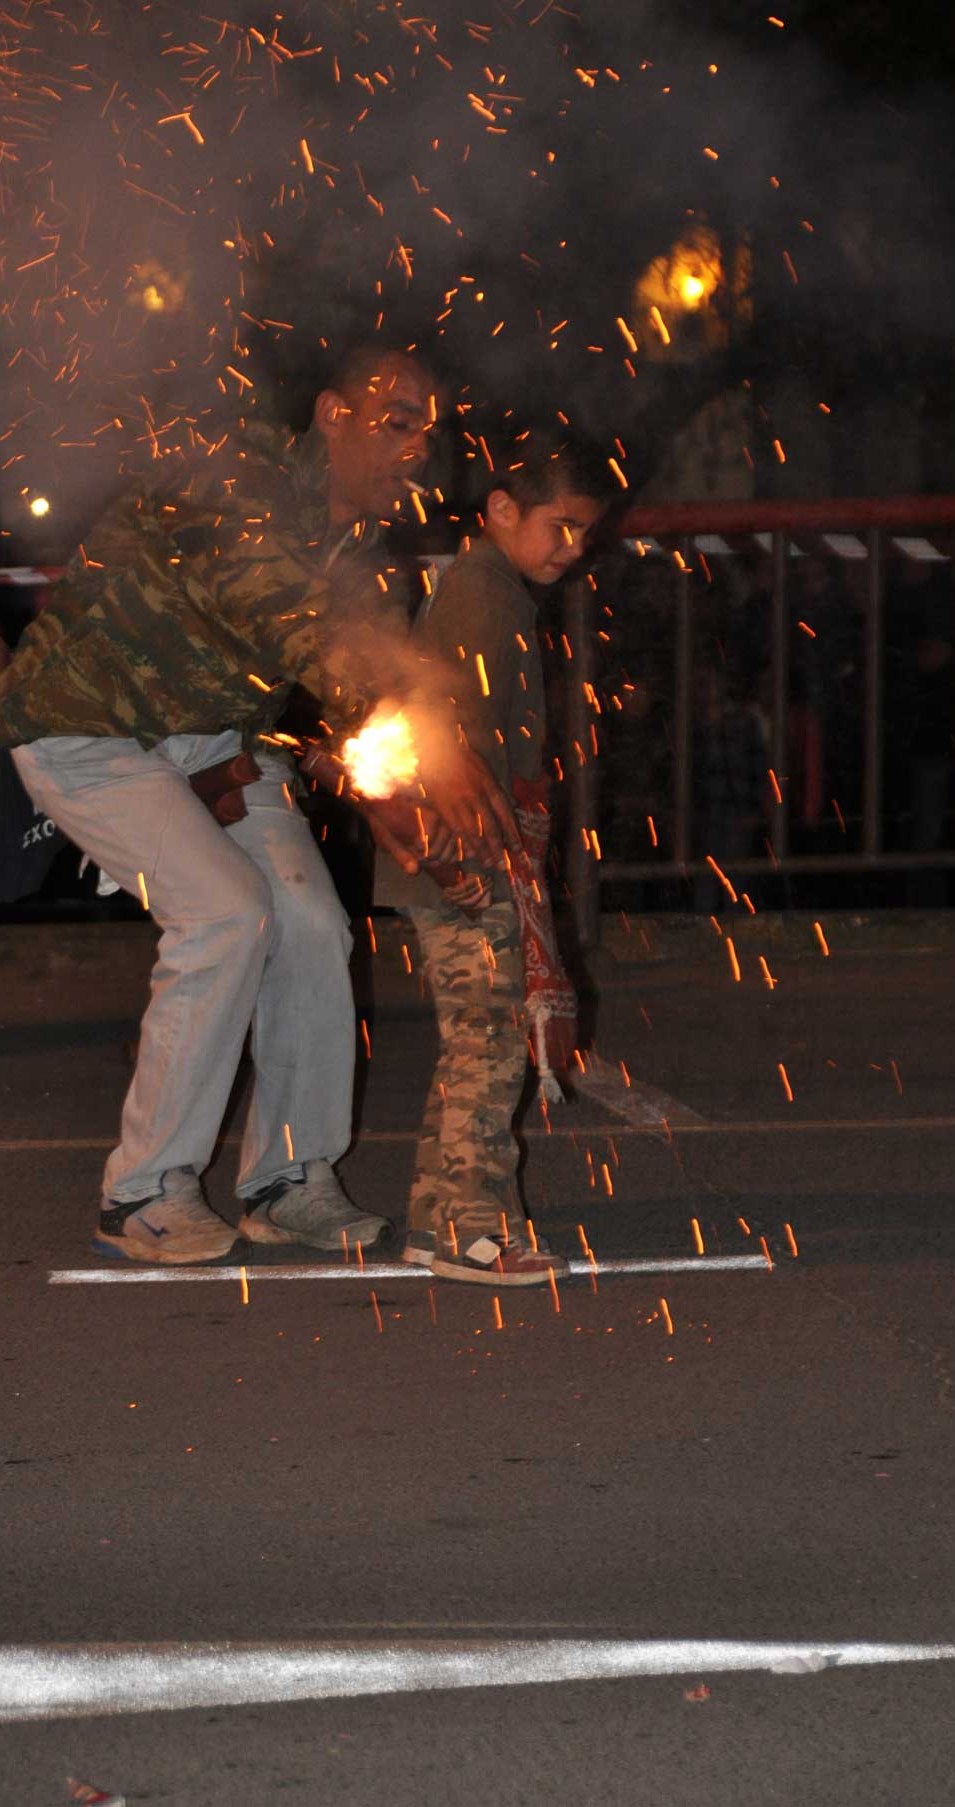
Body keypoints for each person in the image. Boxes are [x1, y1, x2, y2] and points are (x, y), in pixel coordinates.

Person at [0, 345, 519, 1267]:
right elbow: (299, 621)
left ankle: (288, 1181)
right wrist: (437, 749)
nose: (417, 450)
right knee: (226, 913)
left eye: (430, 434)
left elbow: (364, 705)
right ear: (333, 414)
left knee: (312, 925)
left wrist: (401, 808)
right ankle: (142, 1191)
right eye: (397, 422)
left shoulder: (364, 554)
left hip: (217, 744)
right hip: (88, 731)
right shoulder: (236, 479)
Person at [386, 440, 610, 1286]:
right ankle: (472, 1231)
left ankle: (434, 1215)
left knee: (472, 1040)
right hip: (464, 851)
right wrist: (466, 860)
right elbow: (449, 738)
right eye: (562, 525)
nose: (573, 548)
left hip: (466, 848)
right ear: (502, 509)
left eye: (585, 532)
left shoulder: (492, 588)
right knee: (489, 1044)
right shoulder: (482, 594)